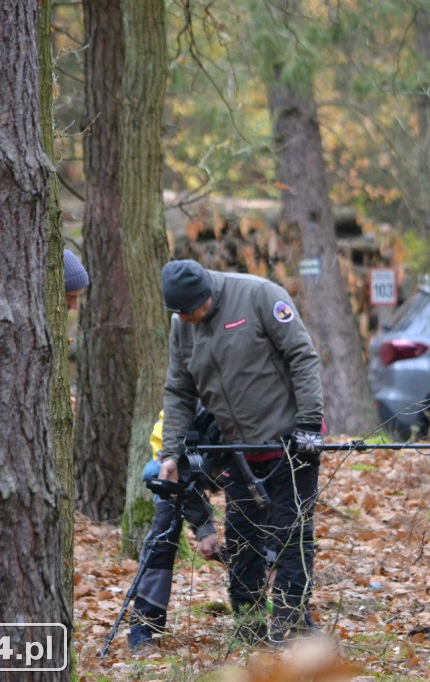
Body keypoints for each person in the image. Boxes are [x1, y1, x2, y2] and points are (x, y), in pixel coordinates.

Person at [156, 259, 325, 647]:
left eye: (192, 311)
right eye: (180, 314)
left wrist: (309, 427)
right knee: (244, 545)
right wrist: (171, 453)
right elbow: (179, 390)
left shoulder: (260, 296)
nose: (188, 320)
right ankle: (250, 633)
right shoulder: (182, 326)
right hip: (237, 453)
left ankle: (290, 632)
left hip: (288, 446)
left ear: (208, 296)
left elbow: (303, 357)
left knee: (290, 539)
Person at [128, 404, 223, 652]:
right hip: (173, 466)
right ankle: (143, 624)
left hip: (231, 465)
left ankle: (263, 612)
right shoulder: (178, 419)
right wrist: (205, 529)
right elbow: (177, 479)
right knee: (163, 533)